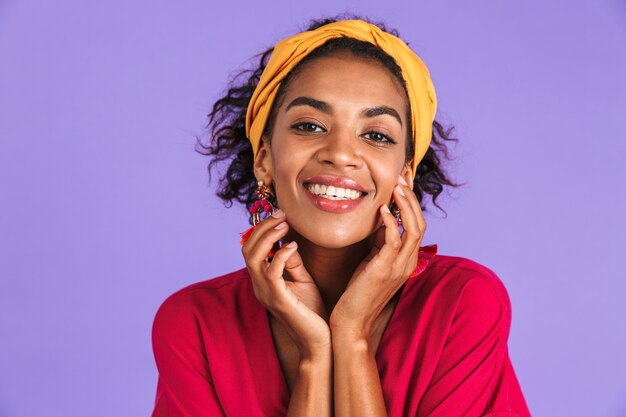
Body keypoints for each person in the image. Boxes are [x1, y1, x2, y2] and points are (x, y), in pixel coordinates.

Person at [150, 15, 532, 417]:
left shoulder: (462, 305)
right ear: (264, 160)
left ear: (405, 175)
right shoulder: (193, 326)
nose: (341, 153)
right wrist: (315, 355)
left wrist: (351, 336)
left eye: (377, 135)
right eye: (310, 125)